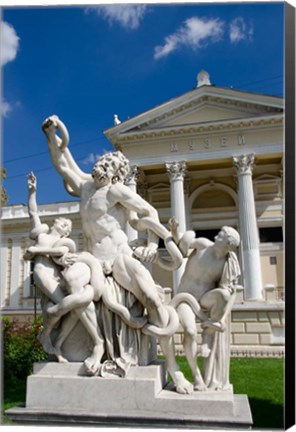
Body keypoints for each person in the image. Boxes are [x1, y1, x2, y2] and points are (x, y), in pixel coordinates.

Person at [41, 115, 193, 393]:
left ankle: (174, 369)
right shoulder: (85, 186)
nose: (103, 165)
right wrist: (51, 135)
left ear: (117, 173)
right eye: (102, 161)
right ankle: (87, 344)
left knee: (151, 299)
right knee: (72, 285)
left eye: (109, 164)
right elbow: (62, 163)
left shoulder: (116, 191)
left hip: (119, 256)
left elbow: (148, 214)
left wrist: (150, 243)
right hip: (92, 259)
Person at [170, 221, 241, 390]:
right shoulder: (203, 245)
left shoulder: (226, 263)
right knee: (190, 331)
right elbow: (182, 246)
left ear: (228, 244)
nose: (217, 235)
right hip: (185, 298)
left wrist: (222, 318)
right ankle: (196, 376)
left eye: (222, 235)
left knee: (223, 294)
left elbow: (230, 293)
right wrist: (175, 231)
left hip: (204, 300)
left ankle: (209, 333)